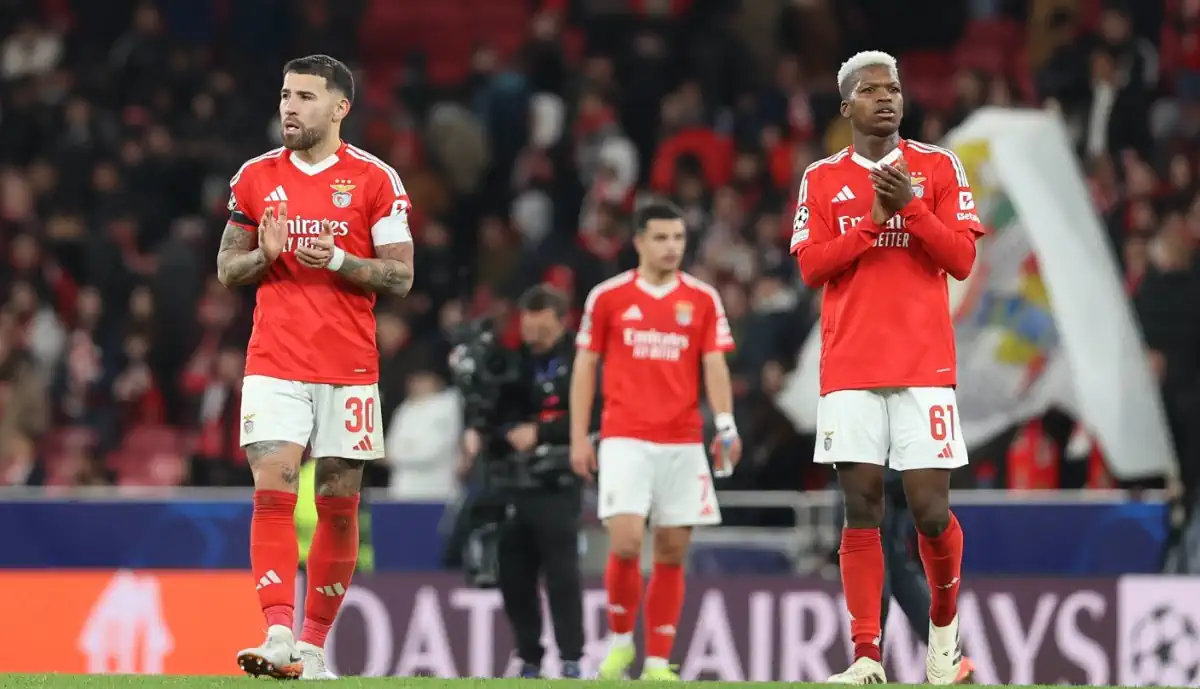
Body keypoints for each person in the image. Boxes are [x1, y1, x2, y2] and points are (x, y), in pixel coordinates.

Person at [215, 54, 414, 680]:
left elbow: (401, 276)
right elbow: (227, 269)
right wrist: (262, 258)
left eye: (303, 96)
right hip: (274, 359)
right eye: (284, 95)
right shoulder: (253, 177)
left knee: (337, 501)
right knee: (273, 486)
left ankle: (312, 647)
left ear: (339, 108)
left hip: (349, 365)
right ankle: (276, 632)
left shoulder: (376, 179)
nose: (289, 107)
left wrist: (340, 262)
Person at [789, 50, 983, 684]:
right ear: (847, 106)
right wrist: (874, 221)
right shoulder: (820, 178)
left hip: (924, 365)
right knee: (862, 508)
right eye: (871, 90)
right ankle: (866, 657)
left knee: (929, 510)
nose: (887, 97)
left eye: (893, 88)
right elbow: (813, 267)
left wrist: (912, 210)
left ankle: (944, 637)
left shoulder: (938, 166)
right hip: (849, 367)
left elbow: (960, 260)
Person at [570, 203, 741, 680]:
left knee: (670, 549)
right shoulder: (608, 297)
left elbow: (714, 363)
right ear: (639, 241)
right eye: (662, 238)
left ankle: (658, 660)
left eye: (679, 238)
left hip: (683, 440)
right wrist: (579, 436)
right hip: (624, 436)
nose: (672, 247)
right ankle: (622, 642)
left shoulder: (703, 298)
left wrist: (725, 423)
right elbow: (586, 365)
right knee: (625, 541)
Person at [495, 285, 585, 679]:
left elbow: (591, 416)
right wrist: (500, 431)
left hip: (558, 480)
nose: (532, 332)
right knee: (513, 573)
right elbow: (495, 409)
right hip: (512, 479)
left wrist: (542, 434)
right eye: (528, 324)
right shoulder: (512, 362)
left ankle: (571, 657)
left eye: (541, 326)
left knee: (562, 573)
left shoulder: (581, 360)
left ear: (560, 322)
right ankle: (529, 656)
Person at [879, 471, 975, 683]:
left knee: (884, 571)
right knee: (896, 569)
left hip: (879, 481)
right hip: (891, 480)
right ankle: (950, 659)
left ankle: (868, 662)